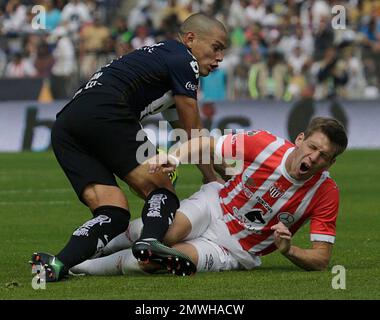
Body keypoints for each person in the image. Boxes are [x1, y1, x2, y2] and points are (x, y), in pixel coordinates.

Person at [30, 13, 228, 282]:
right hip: (107, 112)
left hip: (67, 124)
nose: (219, 58)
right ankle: (149, 243)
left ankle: (54, 265)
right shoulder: (184, 59)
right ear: (191, 39)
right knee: (161, 186)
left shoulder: (161, 59)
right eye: (216, 47)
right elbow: (194, 131)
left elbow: (186, 136)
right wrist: (210, 179)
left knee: (113, 213)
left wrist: (216, 172)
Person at [70, 117, 348, 276]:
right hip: (215, 205)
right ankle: (93, 246)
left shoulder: (326, 193)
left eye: (324, 156)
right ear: (299, 139)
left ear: (331, 163)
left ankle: (79, 267)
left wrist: (289, 250)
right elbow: (208, 144)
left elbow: (321, 259)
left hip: (235, 249)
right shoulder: (265, 144)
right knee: (163, 232)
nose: (313, 158)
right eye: (312, 147)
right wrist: (175, 157)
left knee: (152, 261)